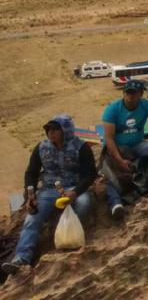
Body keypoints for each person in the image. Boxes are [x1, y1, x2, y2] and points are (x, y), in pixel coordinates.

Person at [2, 116, 96, 275]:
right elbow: (31, 173)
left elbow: (90, 174)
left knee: (84, 203)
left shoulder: (81, 147)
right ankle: (21, 258)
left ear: (65, 130)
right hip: (48, 189)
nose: (50, 134)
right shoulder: (41, 148)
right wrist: (29, 195)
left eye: (55, 130)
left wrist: (75, 192)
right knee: (32, 217)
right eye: (48, 131)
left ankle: (69, 239)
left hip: (74, 186)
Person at [101, 80, 148, 219]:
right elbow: (109, 139)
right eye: (128, 92)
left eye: (134, 93)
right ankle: (116, 204)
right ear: (123, 93)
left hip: (138, 145)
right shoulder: (112, 109)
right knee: (111, 174)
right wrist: (119, 159)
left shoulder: (147, 105)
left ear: (141, 94)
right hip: (118, 149)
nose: (130, 96)